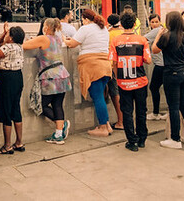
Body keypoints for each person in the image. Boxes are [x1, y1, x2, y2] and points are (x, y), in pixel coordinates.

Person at [151, 11, 184, 149]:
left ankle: (175, 139)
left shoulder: (166, 36)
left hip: (171, 73)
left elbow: (154, 50)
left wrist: (158, 35)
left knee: (173, 106)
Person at [23, 18, 72, 144]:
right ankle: (59, 133)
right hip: (62, 74)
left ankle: (61, 127)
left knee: (41, 105)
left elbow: (24, 46)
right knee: (57, 104)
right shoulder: (58, 38)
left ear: (47, 27)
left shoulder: (44, 38)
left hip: (50, 77)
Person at [65, 8, 112, 137]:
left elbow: (73, 44)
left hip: (92, 67)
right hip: (105, 65)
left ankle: (102, 127)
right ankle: (106, 124)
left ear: (85, 19)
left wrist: (64, 40)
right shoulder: (103, 28)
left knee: (97, 98)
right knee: (101, 96)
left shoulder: (85, 29)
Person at [110, 12, 151, 151]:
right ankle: (142, 139)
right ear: (134, 24)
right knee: (141, 111)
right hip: (140, 81)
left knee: (127, 111)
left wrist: (118, 77)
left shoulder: (114, 41)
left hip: (123, 82)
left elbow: (113, 62)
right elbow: (148, 60)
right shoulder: (142, 40)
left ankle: (131, 141)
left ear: (121, 24)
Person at [0, 25, 25, 154]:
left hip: (6, 78)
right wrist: (5, 33)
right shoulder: (19, 47)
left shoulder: (8, 47)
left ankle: (7, 145)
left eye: (7, 34)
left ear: (10, 38)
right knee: (15, 109)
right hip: (17, 77)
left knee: (6, 110)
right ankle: (19, 142)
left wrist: (2, 36)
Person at [145, 15, 167, 121]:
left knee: (153, 88)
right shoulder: (161, 30)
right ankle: (168, 111)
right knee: (165, 89)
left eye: (156, 21)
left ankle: (156, 113)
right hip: (163, 64)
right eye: (152, 22)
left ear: (160, 22)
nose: (154, 24)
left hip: (160, 65)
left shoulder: (157, 31)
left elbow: (142, 39)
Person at [105, 14, 125, 130]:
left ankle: (121, 122)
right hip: (127, 66)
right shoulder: (124, 33)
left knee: (115, 94)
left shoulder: (108, 34)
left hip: (113, 67)